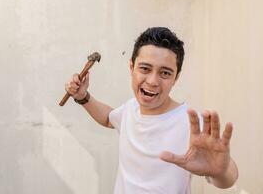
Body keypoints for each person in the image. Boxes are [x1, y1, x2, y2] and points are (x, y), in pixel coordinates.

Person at [65, 27, 238, 194]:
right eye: (145, 69)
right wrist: (82, 96)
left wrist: (219, 172)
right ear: (132, 68)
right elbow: (109, 119)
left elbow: (227, 175)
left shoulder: (191, 123)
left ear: (175, 78)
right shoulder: (130, 109)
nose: (153, 81)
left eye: (165, 73)